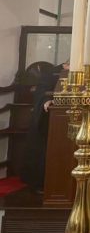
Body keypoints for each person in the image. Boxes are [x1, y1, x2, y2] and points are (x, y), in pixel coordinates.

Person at [21, 60, 69, 192]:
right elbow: (41, 92)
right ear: (66, 64)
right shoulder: (51, 73)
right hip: (49, 121)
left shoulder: (84, 75)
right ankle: (41, 182)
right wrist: (47, 100)